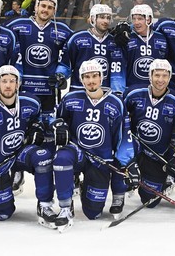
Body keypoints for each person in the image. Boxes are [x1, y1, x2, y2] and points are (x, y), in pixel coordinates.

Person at [0, 65, 67, 230]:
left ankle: (45, 205)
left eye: (12, 81)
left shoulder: (31, 102)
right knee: (3, 214)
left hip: (21, 153)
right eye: (4, 81)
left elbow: (41, 118)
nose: (8, 85)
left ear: (18, 84)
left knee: (43, 156)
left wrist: (39, 126)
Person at [52, 60, 138, 221]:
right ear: (81, 79)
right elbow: (55, 119)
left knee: (93, 214)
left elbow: (124, 137)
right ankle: (64, 207)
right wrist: (59, 126)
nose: (90, 81)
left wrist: (129, 163)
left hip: (101, 159)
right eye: (86, 77)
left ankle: (87, 188)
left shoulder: (116, 103)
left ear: (101, 78)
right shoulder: (70, 98)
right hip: (77, 152)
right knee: (61, 159)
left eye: (94, 76)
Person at [6, 0, 73, 192]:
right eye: (42, 6)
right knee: (19, 131)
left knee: (47, 131)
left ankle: (47, 168)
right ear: (35, 7)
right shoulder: (17, 25)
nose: (45, 10)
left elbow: (66, 59)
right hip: (23, 91)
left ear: (54, 11)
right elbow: (10, 52)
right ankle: (16, 170)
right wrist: (15, 78)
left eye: (50, 7)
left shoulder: (62, 30)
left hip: (48, 92)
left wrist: (61, 75)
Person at [123, 59, 175, 206]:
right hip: (135, 148)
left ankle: (164, 180)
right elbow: (120, 120)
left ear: (170, 77)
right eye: (157, 75)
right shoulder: (133, 93)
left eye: (165, 76)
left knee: (149, 201)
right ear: (150, 75)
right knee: (122, 179)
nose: (160, 80)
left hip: (157, 155)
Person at [121, 4, 168, 93]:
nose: (136, 22)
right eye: (134, 19)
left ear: (149, 19)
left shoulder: (161, 38)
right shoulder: (126, 38)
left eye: (140, 19)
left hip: (156, 90)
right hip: (132, 89)